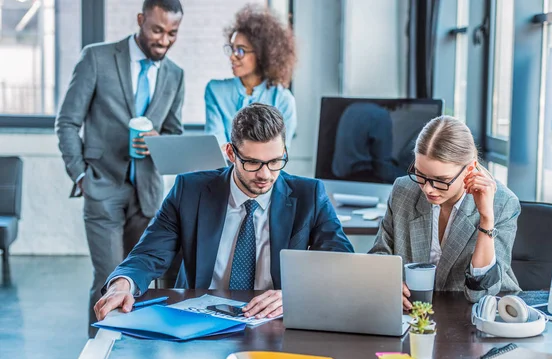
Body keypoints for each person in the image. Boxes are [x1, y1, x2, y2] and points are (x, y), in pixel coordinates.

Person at [94, 104, 353, 322]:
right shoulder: (190, 190)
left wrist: (296, 293)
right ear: (230, 153)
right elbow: (149, 253)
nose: (265, 174)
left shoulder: (310, 195)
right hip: (201, 317)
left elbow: (341, 261)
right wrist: (123, 284)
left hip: (274, 320)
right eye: (252, 162)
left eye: (275, 161)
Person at [55, 0, 185, 336]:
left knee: (142, 280)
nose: (164, 40)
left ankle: (134, 349)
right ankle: (96, 358)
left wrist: (159, 139)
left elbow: (174, 133)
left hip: (148, 194)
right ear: (141, 20)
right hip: (102, 187)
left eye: (172, 33)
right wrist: (81, 175)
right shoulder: (97, 57)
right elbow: (67, 122)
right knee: (108, 277)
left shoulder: (175, 74)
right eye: (157, 30)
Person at [369, 116, 521, 307]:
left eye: (440, 179)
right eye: (420, 174)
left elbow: (480, 294)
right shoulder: (404, 190)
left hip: (474, 316)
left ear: (470, 169)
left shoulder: (502, 204)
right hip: (413, 315)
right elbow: (380, 254)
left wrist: (486, 219)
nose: (427, 188)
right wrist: (388, 284)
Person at [204, 4, 297, 149]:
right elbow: (216, 148)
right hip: (225, 172)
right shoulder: (215, 91)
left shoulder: (283, 100)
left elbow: (279, 154)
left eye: (241, 51)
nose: (233, 57)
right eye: (232, 49)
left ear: (262, 54)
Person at [331, 102, 403, 183]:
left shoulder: (351, 108)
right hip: (364, 179)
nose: (399, 106)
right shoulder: (380, 115)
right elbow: (383, 168)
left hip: (340, 180)